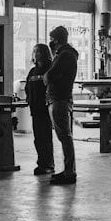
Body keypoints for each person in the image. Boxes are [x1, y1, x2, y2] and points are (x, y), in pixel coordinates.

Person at [43, 26, 79, 185]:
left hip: (59, 99)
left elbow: (50, 75)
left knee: (64, 136)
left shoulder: (64, 55)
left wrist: (46, 76)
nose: (50, 42)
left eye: (51, 39)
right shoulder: (66, 54)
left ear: (56, 40)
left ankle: (69, 172)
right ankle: (68, 170)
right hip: (60, 98)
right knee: (65, 135)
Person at [25, 43, 54, 175]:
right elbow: (27, 88)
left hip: (45, 110)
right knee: (38, 138)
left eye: (38, 51)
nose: (35, 54)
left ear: (45, 54)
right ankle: (41, 162)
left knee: (45, 137)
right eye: (34, 51)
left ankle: (48, 164)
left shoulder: (50, 69)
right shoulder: (32, 72)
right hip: (35, 109)